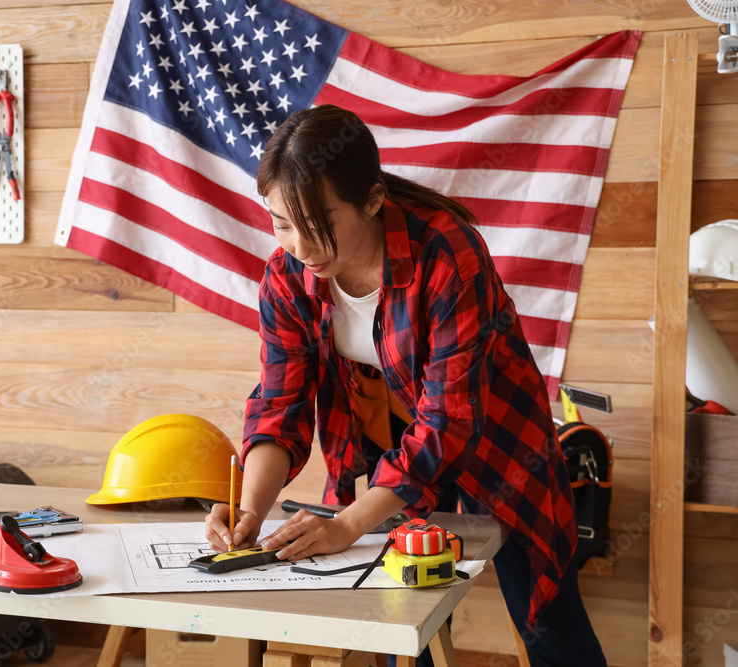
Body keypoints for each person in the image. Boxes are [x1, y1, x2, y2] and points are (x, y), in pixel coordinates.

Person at [204, 104, 606, 666]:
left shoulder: (447, 253)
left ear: (372, 200)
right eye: (281, 222)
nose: (299, 246)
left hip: (494, 436)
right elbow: (280, 404)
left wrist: (346, 524)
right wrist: (249, 509)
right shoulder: (286, 276)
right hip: (390, 442)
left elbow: (449, 422)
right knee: (398, 608)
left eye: (318, 223)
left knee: (544, 614)